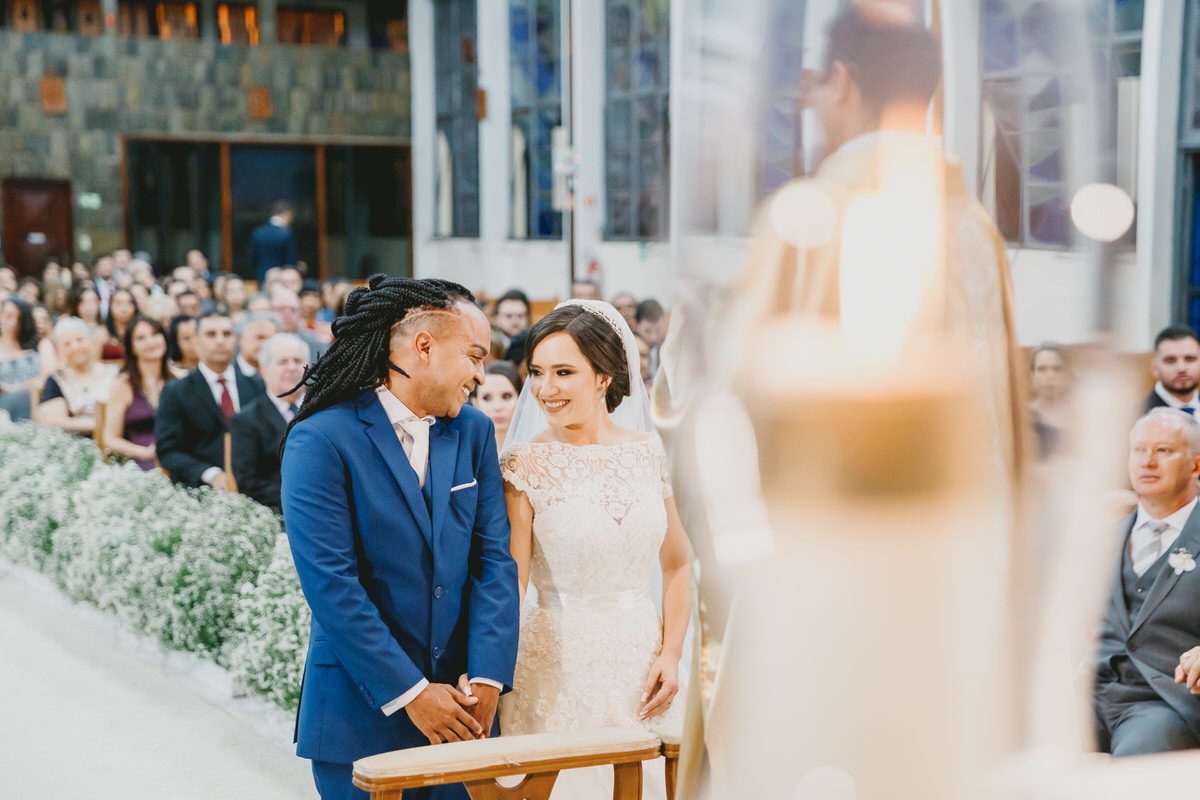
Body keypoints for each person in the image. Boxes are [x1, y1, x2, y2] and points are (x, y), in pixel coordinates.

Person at [279, 275, 519, 800]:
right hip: (360, 716)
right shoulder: (320, 439)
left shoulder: (473, 431)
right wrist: (410, 692)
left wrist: (487, 678)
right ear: (424, 347)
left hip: (464, 714)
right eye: (474, 356)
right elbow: (331, 586)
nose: (480, 374)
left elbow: (494, 561)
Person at [496, 301, 691, 800]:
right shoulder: (525, 463)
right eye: (537, 372)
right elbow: (512, 579)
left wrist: (670, 654)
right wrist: (490, 668)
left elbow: (677, 563)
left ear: (604, 376)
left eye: (563, 372)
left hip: (642, 662)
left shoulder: (650, 452)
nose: (545, 388)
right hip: (555, 662)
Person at [1094, 409, 1200, 756]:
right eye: (1139, 450)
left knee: (1135, 764)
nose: (1147, 461)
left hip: (1164, 702)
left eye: (1164, 451)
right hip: (1089, 696)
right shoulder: (1101, 539)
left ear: (1196, 466)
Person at [156, 311, 265, 489]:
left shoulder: (257, 386)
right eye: (211, 334)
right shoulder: (175, 392)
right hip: (201, 489)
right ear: (196, 342)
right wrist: (210, 474)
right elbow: (168, 451)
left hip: (256, 486)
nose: (220, 340)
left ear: (236, 341)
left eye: (227, 334)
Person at [230, 333, 308, 509]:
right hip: (281, 512)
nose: (292, 367)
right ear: (264, 370)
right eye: (283, 362)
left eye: (298, 360)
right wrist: (304, 499)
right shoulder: (246, 421)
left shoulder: (326, 409)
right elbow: (248, 483)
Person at [103, 316, 182, 470]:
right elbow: (110, 438)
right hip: (140, 463)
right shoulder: (123, 384)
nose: (150, 342)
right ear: (131, 347)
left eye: (155, 334)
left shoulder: (179, 380)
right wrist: (146, 452)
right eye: (141, 338)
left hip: (178, 458)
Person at [38, 317, 118, 438]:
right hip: (78, 446)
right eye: (67, 344)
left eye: (79, 340)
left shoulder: (114, 372)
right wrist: (99, 424)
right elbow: (54, 421)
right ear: (60, 351)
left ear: (90, 341)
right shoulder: (56, 380)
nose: (75, 347)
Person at [0, 297, 56, 421]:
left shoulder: (40, 345)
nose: (14, 322)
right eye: (9, 316)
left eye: (19, 318)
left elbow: (48, 377)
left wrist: (12, 389)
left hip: (36, 400)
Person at [1142, 326, 1200, 414]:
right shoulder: (1135, 419)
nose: (1181, 368)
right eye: (1170, 361)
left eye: (1190, 359)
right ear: (1155, 367)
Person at [1029, 342, 1072, 459]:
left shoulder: (1081, 417)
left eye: (1057, 369)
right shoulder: (1023, 418)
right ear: (1032, 376)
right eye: (1042, 369)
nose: (1050, 375)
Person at [471, 361, 521, 453]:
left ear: (520, 398)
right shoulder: (466, 452)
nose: (497, 407)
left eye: (507, 396)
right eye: (487, 398)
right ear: (475, 403)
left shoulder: (538, 452)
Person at [271, 286, 330, 359]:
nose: (287, 314)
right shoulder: (262, 343)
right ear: (271, 312)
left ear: (300, 313)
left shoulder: (317, 344)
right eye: (281, 309)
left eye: (293, 309)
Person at [252, 201, 297, 283]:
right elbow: (289, 261)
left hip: (262, 278)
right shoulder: (286, 233)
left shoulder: (258, 231)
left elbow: (254, 259)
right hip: (282, 281)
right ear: (287, 213)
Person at [234, 310, 280, 377]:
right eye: (260, 337)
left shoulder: (281, 374)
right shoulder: (228, 374)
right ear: (241, 338)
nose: (265, 344)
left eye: (271, 339)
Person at [100, 287, 139, 361]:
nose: (124, 307)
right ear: (111, 307)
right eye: (119, 303)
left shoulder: (141, 331)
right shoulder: (102, 333)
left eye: (129, 303)